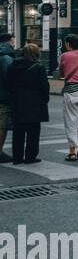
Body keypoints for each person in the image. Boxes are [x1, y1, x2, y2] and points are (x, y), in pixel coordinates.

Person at [6, 43, 50, 164]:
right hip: (34, 103)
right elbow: (44, 87)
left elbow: (8, 84)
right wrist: (44, 100)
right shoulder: (39, 67)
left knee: (18, 131)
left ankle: (17, 157)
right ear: (37, 53)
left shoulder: (12, 66)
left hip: (17, 102)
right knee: (33, 132)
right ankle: (30, 156)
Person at [0, 32, 15, 163]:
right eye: (13, 40)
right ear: (9, 41)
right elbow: (9, 78)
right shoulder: (6, 57)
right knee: (2, 125)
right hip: (3, 97)